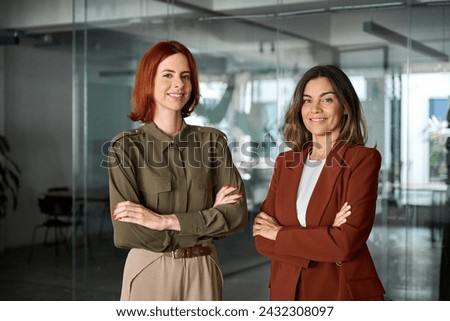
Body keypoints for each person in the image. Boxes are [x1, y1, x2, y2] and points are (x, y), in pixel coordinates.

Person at [107, 40, 248, 301]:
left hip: (203, 269)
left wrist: (164, 221)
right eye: (168, 75)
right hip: (151, 268)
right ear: (149, 82)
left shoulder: (212, 142)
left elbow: (236, 215)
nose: (179, 84)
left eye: (185, 76)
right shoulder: (126, 148)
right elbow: (127, 232)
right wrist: (209, 218)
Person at [252, 65, 385, 301]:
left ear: (344, 106)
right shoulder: (286, 162)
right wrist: (324, 236)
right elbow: (262, 239)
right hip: (286, 292)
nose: (314, 109)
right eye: (307, 100)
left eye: (327, 100)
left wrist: (280, 234)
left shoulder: (361, 160)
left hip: (338, 291)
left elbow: (344, 244)